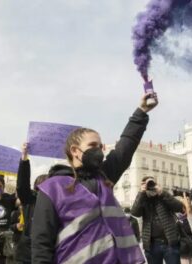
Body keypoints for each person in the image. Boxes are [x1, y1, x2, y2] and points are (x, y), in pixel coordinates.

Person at [32, 93, 157, 263]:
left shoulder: (103, 176)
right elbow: (41, 244)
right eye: (92, 146)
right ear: (75, 150)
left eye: (100, 146)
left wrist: (141, 112)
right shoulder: (51, 188)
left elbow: (125, 146)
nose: (99, 150)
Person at [132, 176, 184, 264]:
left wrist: (162, 192)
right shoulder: (143, 198)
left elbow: (179, 207)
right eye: (147, 184)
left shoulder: (163, 195)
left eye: (152, 183)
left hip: (169, 242)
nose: (150, 185)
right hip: (151, 244)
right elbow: (135, 212)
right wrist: (141, 192)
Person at [16, 143, 48, 264]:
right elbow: (22, 185)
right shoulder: (30, 200)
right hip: (26, 254)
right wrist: (24, 158)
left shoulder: (56, 203)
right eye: (40, 188)